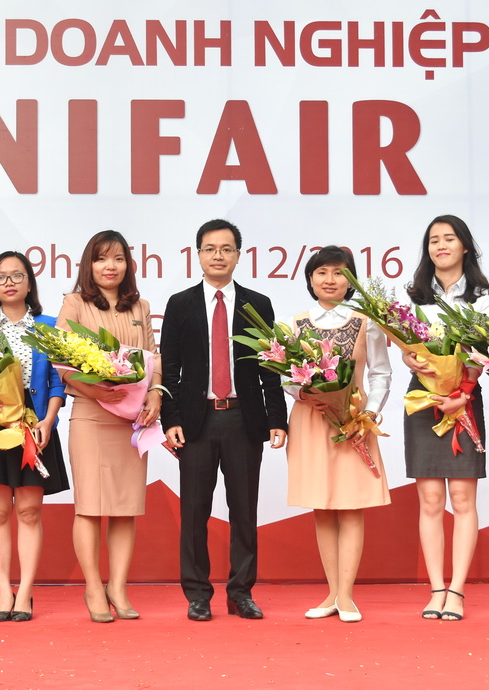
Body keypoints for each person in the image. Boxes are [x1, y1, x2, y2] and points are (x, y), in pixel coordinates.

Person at [161, 219, 288, 622]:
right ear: (198, 254)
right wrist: (170, 418)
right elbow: (169, 368)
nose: (218, 255)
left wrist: (277, 419)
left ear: (238, 255)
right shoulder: (180, 304)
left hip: (242, 420)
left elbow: (271, 366)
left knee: (244, 512)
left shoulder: (257, 304)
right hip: (195, 422)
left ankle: (241, 593)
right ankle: (197, 595)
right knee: (194, 513)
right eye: (210, 248)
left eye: (226, 249)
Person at [57, 230, 162, 623]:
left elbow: (153, 357)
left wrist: (156, 394)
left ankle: (117, 587)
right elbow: (61, 360)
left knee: (124, 508)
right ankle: (92, 586)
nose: (110, 266)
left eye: (118, 258)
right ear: (90, 265)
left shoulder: (141, 307)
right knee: (89, 507)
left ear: (128, 265)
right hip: (91, 414)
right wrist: (95, 390)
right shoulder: (75, 303)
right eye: (101, 259)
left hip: (130, 419)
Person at [0, 251, 70, 623]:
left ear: (29, 282)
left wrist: (49, 421)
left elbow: (58, 382)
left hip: (34, 424)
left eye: (17, 275)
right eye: (1, 276)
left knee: (28, 511)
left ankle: (24, 593)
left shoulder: (49, 325)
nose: (9, 282)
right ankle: (3, 592)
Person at [285, 246, 391, 623]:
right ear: (310, 279)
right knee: (323, 506)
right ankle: (332, 593)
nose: (330, 280)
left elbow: (381, 374)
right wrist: (305, 394)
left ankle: (346, 595)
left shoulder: (366, 322)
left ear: (351, 281)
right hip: (312, 420)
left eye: (339, 273)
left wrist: (369, 413)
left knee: (350, 506)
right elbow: (285, 376)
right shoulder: (295, 324)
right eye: (322, 273)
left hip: (354, 422)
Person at [403, 216, 489, 621]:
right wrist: (409, 357)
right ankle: (436, 589)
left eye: (449, 238)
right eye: (433, 240)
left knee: (462, 499)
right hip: (423, 400)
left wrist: (464, 391)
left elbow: (487, 354)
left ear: (465, 246)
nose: (440, 246)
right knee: (430, 501)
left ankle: (457, 590)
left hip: (465, 399)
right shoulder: (414, 297)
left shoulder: (485, 299)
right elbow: (408, 348)